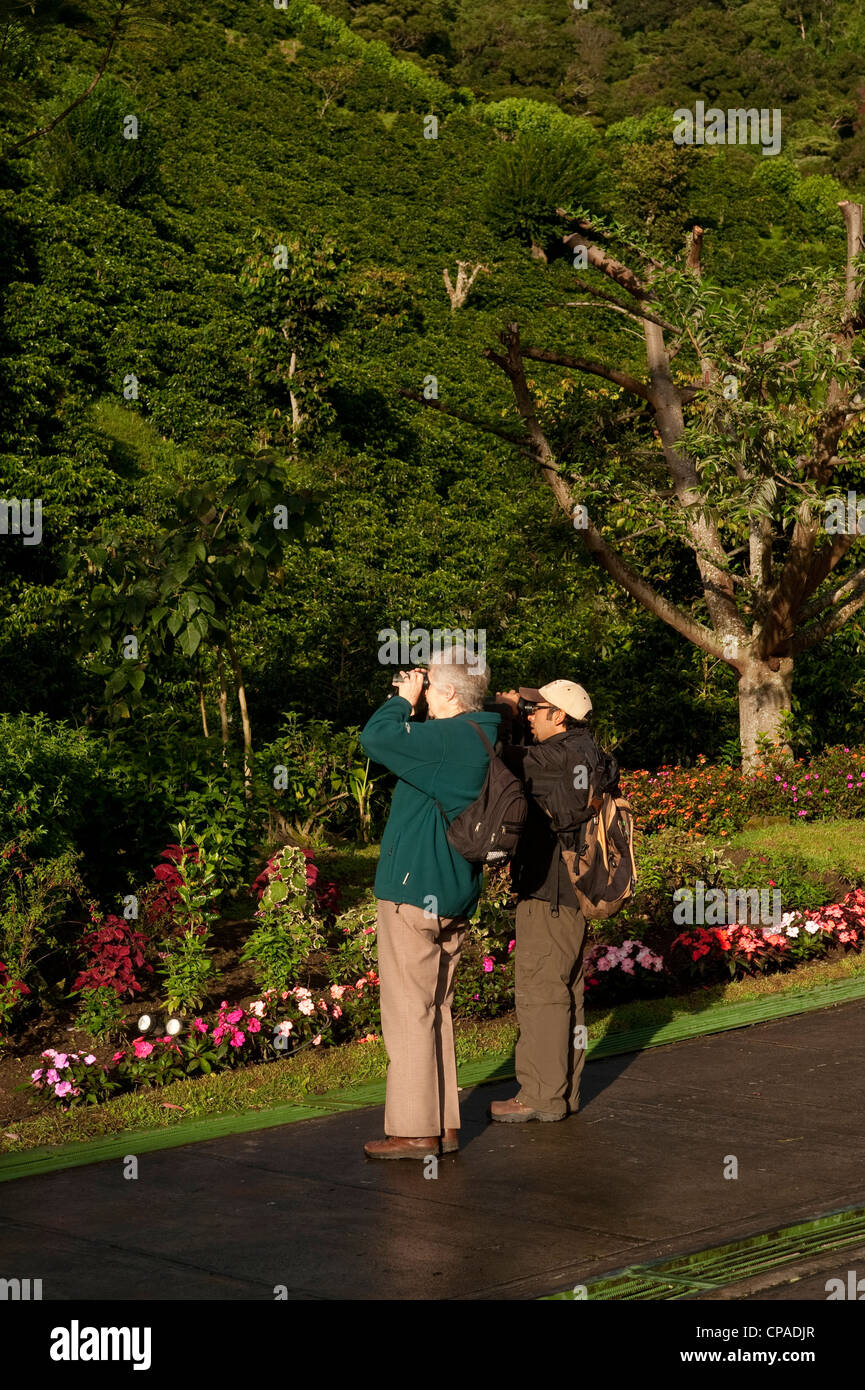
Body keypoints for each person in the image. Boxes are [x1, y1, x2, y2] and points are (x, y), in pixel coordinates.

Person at [359, 647, 500, 1159]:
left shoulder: (445, 739)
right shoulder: (484, 735)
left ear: (447, 693)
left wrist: (401, 700)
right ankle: (443, 1124)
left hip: (415, 894)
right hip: (454, 892)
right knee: (435, 1009)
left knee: (408, 1013)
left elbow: (375, 738)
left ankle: (415, 1131)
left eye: (428, 685)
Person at [490, 680, 605, 1124]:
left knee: (541, 993)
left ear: (559, 716)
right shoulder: (583, 751)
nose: (529, 714)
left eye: (536, 709)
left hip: (550, 892)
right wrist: (519, 712)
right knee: (567, 993)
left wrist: (499, 711)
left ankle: (539, 1095)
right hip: (571, 894)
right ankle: (563, 1092)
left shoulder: (557, 757)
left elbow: (497, 758)